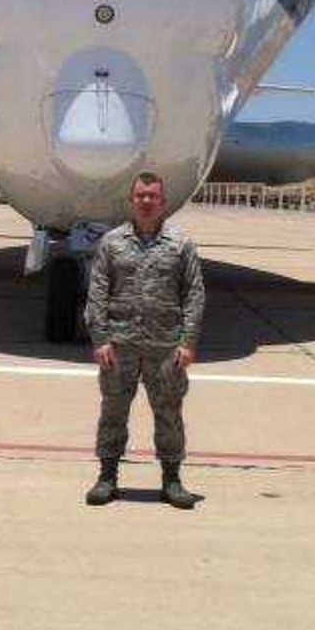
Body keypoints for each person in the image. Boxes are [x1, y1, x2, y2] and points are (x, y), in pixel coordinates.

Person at [83, 171, 205, 509]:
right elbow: (97, 293)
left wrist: (188, 342)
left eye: (153, 196)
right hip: (119, 345)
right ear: (132, 201)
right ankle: (107, 476)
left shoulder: (180, 245)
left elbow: (194, 294)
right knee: (113, 410)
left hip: (166, 347)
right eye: (141, 196)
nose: (147, 201)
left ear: (163, 202)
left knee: (168, 413)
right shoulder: (112, 243)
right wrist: (101, 338)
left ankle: (172, 479)